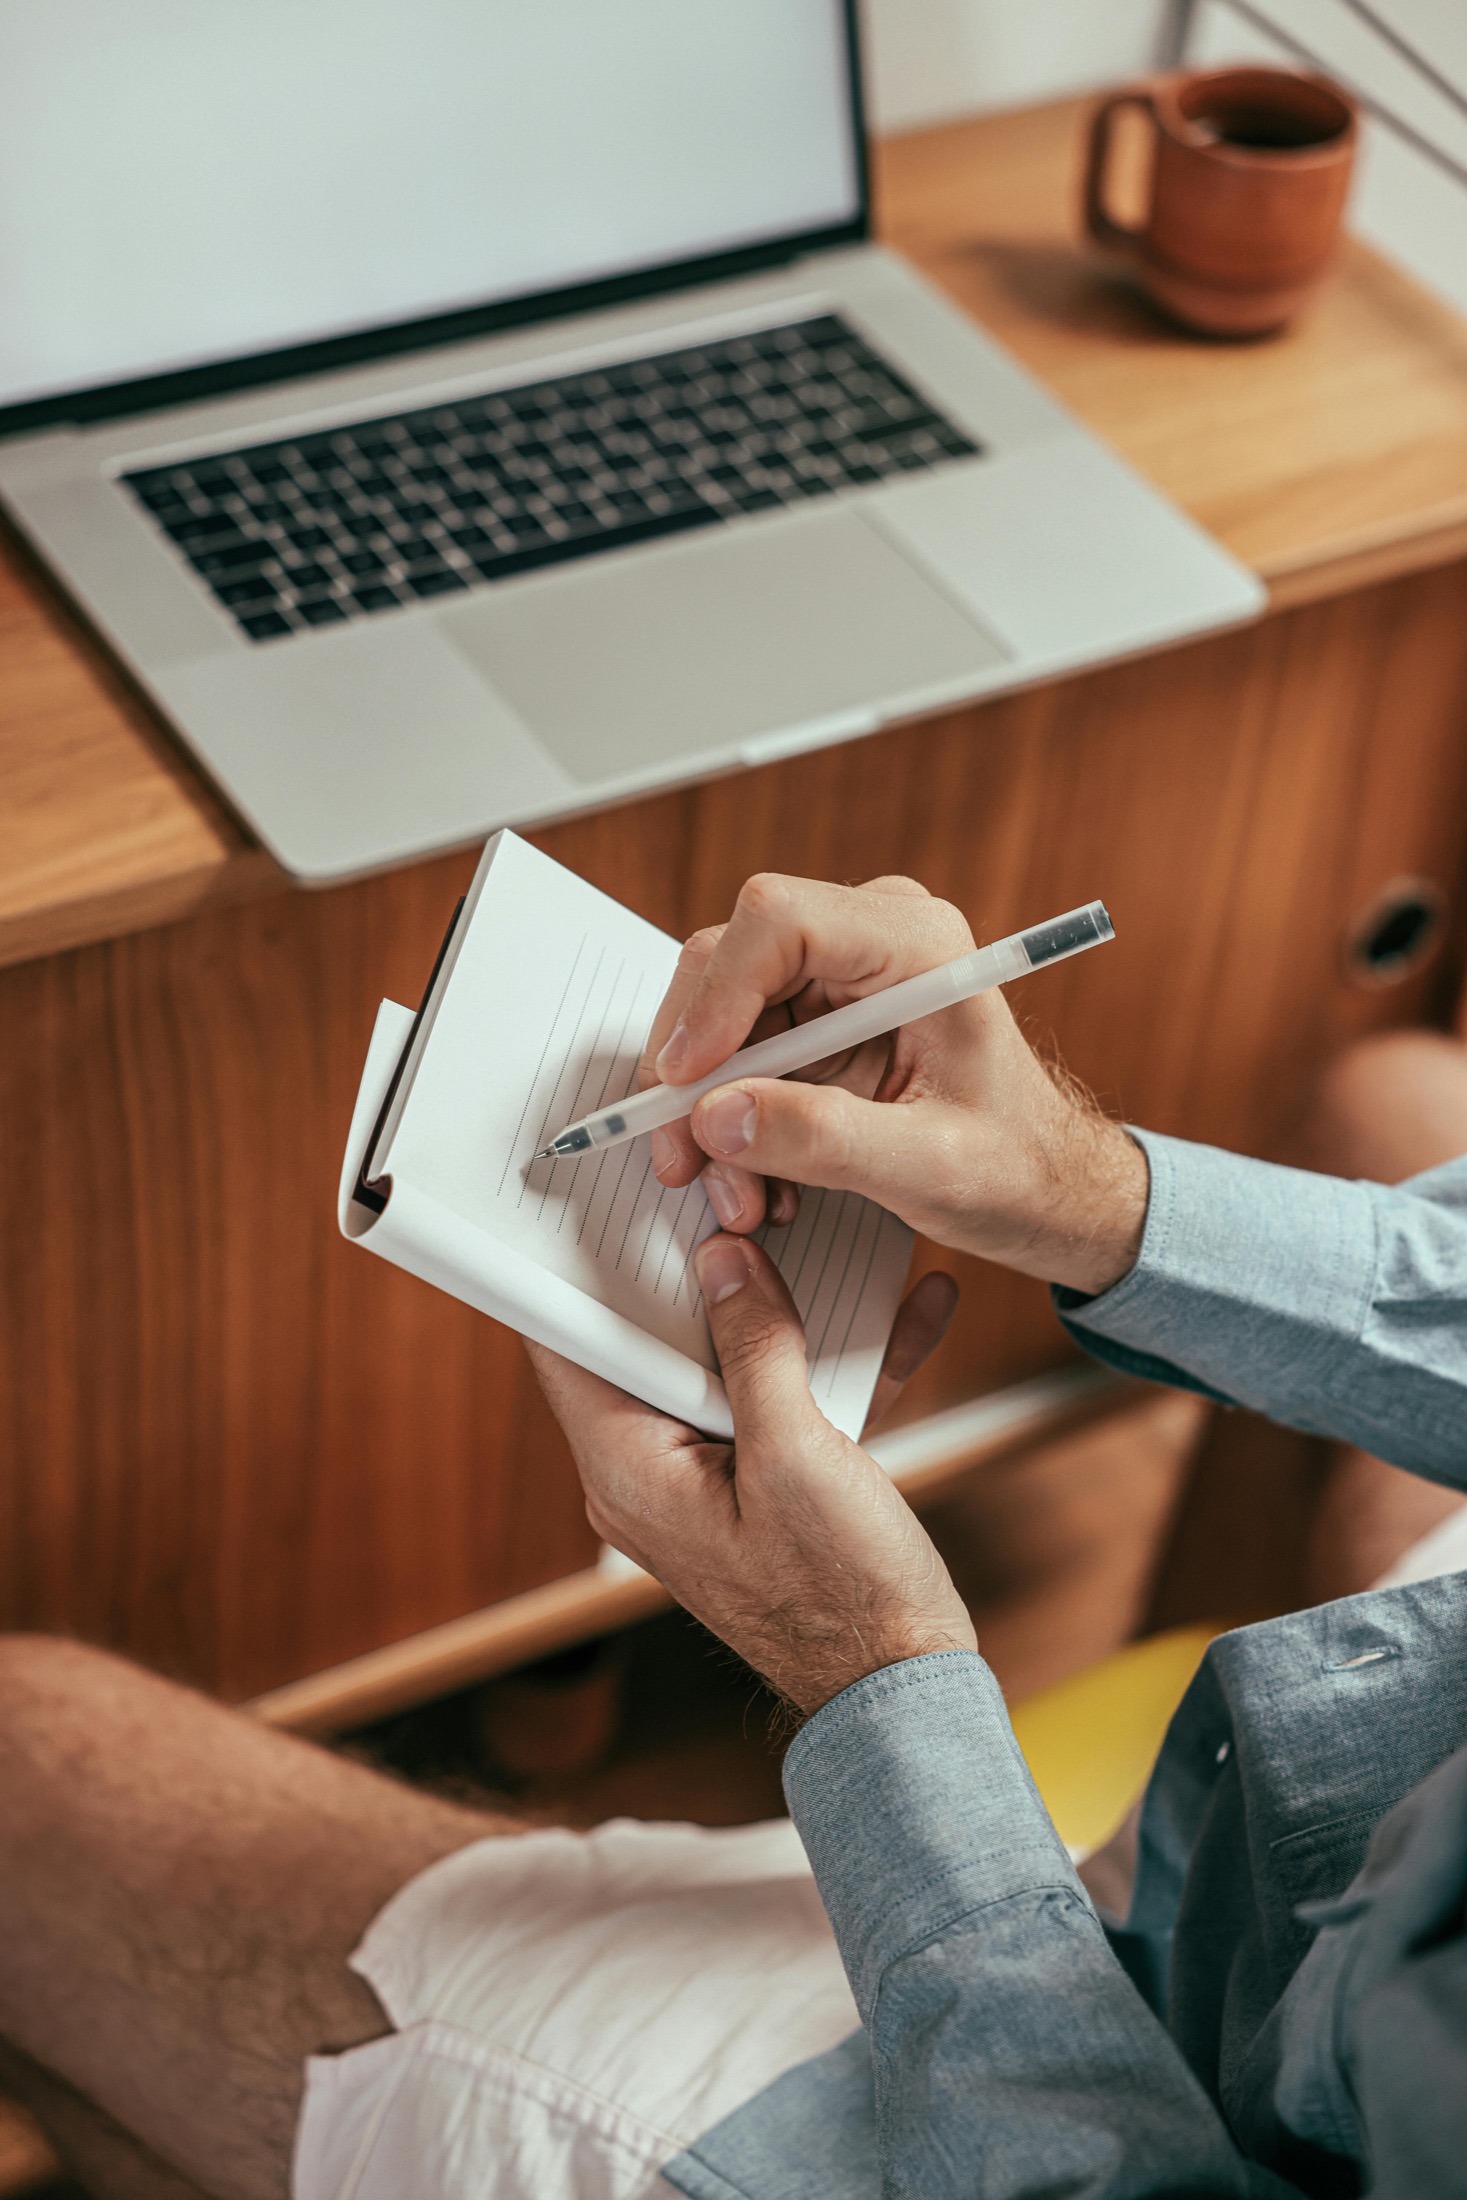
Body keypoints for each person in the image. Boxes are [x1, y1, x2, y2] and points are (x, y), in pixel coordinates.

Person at [2, 871, 1466, 2200]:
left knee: (27, 1755)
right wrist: (1092, 1197)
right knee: (1403, 1100)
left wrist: (870, 1669)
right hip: (1349, 1847)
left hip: (1077, 2124)